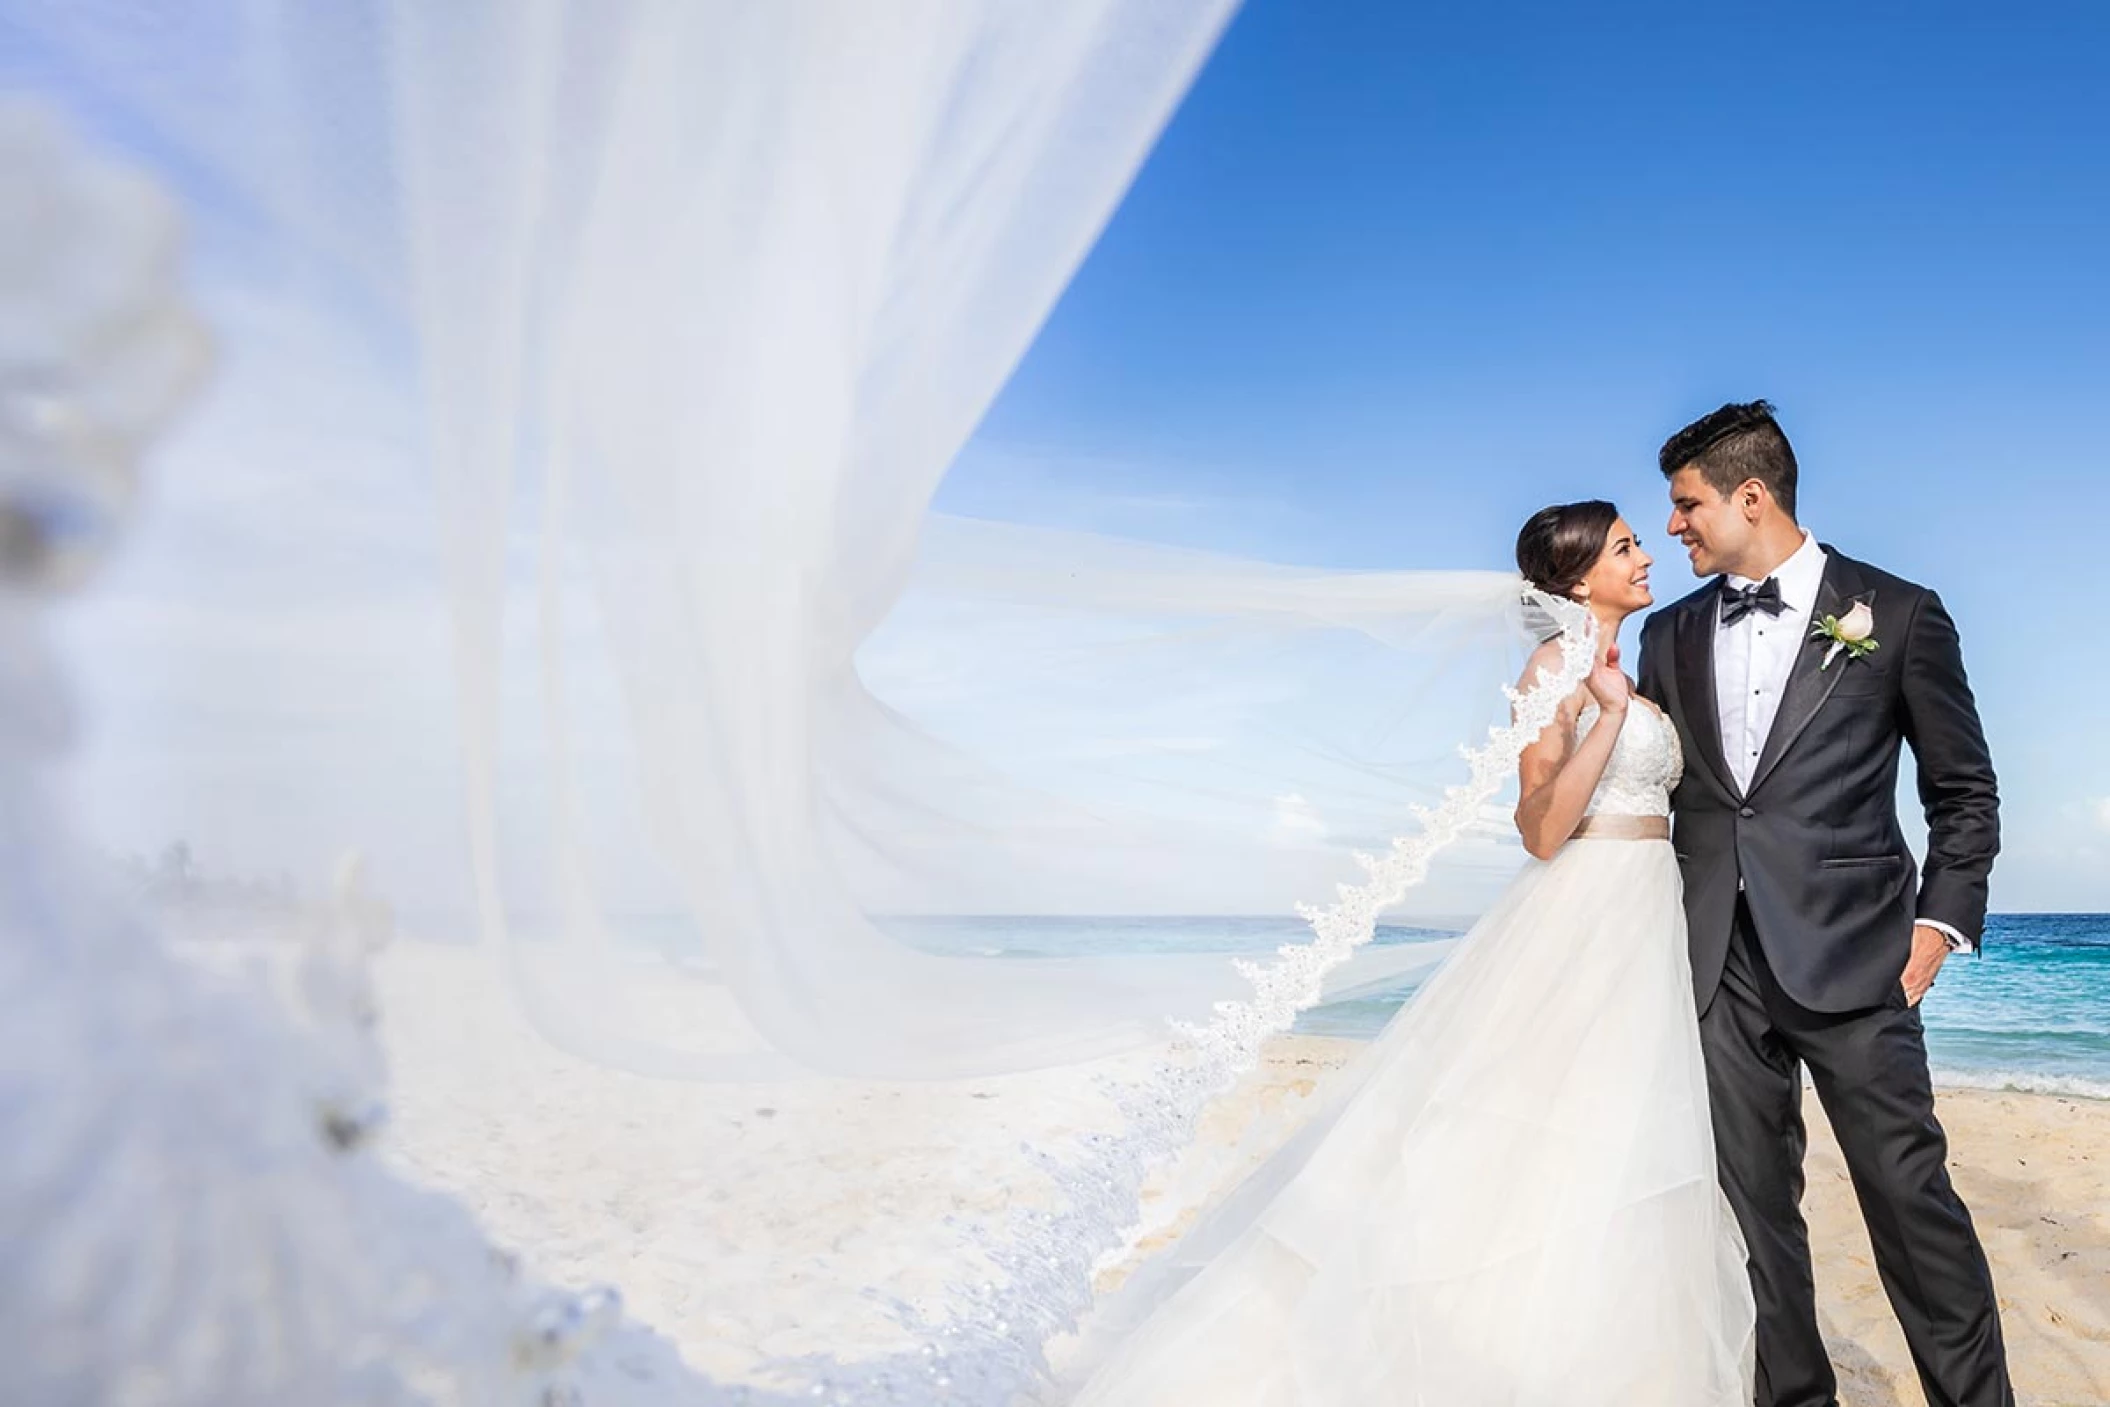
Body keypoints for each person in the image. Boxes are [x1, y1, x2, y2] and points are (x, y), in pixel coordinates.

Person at [1068, 501, 1754, 1406]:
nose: (1644, 556)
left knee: (1624, 1119)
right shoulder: (1552, 669)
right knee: (1544, 1122)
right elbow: (1540, 829)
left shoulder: (1639, 663)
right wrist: (1611, 720)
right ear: (1580, 578)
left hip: (1648, 911)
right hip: (1584, 905)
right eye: (1626, 546)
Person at [1637, 400, 2010, 1407]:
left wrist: (1938, 929)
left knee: (1911, 1208)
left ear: (1748, 496)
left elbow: (1963, 795)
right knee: (1750, 1224)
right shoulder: (1666, 635)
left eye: (1684, 505)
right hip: (1717, 967)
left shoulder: (1898, 613)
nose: (1672, 526)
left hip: (1861, 965)